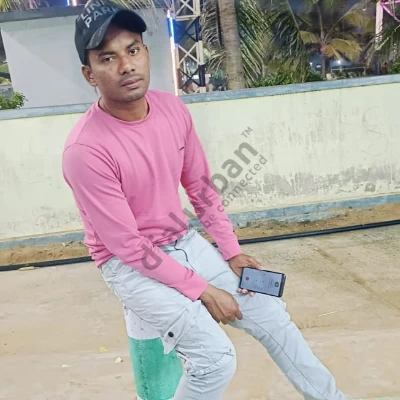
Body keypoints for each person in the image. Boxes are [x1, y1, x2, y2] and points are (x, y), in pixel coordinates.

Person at [62, 1, 348, 399]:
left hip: (183, 241)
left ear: (146, 53)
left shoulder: (171, 109)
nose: (126, 66)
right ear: (89, 74)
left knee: (271, 314)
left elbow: (201, 190)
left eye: (133, 50)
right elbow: (128, 245)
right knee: (215, 359)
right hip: (127, 264)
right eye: (108, 58)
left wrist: (231, 251)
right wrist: (202, 290)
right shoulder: (86, 150)